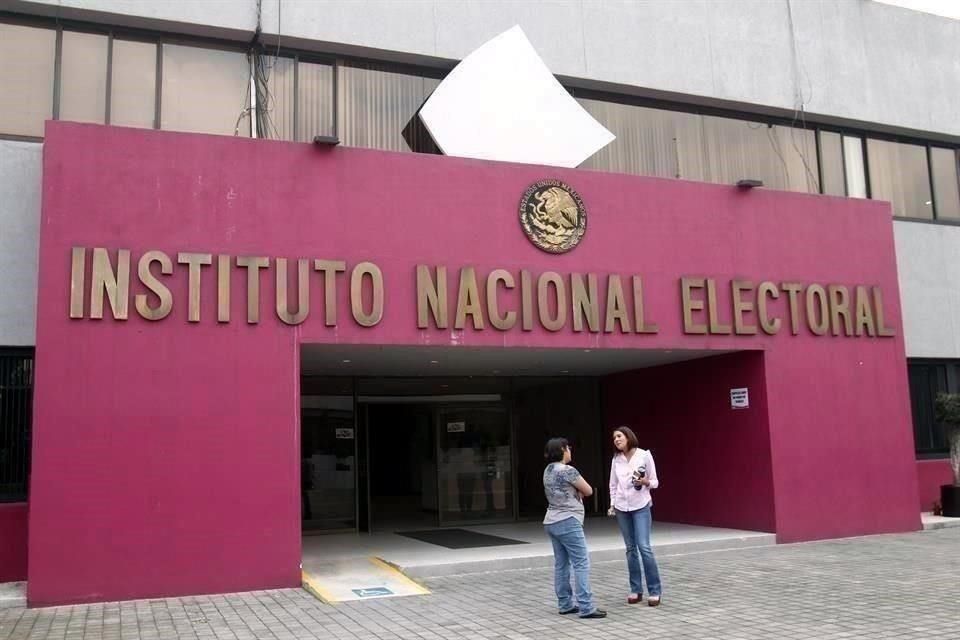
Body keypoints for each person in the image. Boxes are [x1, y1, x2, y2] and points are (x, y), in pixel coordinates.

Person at [542, 437, 606, 619]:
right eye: (568, 448)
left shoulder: (548, 470)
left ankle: (565, 604)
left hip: (551, 520)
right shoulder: (568, 470)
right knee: (581, 563)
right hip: (568, 520)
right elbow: (589, 490)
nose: (570, 450)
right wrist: (578, 492)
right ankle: (586, 606)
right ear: (563, 450)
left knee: (561, 564)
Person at [607, 426, 663, 606]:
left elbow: (655, 482)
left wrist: (645, 481)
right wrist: (612, 504)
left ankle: (654, 591)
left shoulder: (644, 455)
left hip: (641, 506)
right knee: (630, 549)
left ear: (628, 437)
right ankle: (636, 590)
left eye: (619, 436)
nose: (616, 440)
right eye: (614, 438)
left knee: (644, 547)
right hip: (622, 507)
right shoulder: (616, 459)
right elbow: (613, 485)